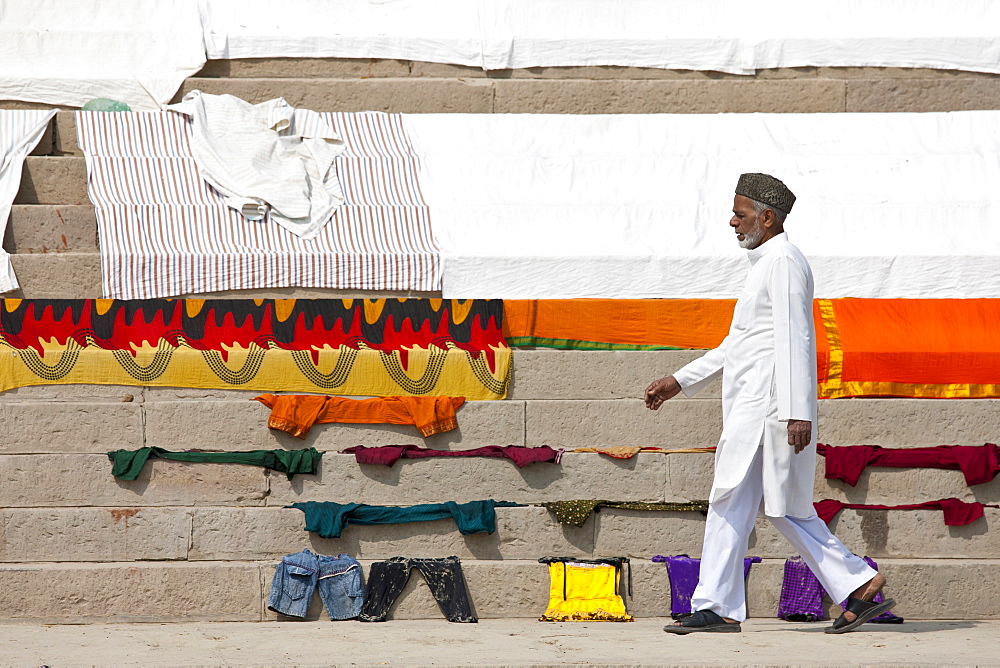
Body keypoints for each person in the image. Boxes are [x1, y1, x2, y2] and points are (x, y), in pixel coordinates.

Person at [644, 173, 895, 635]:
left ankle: (728, 604)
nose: (732, 222)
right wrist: (680, 380)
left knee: (766, 504)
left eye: (740, 214)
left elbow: (797, 338)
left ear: (767, 217)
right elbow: (737, 345)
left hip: (769, 412)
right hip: (757, 409)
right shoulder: (766, 263)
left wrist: (798, 410)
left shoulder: (782, 261)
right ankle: (851, 586)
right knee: (751, 504)